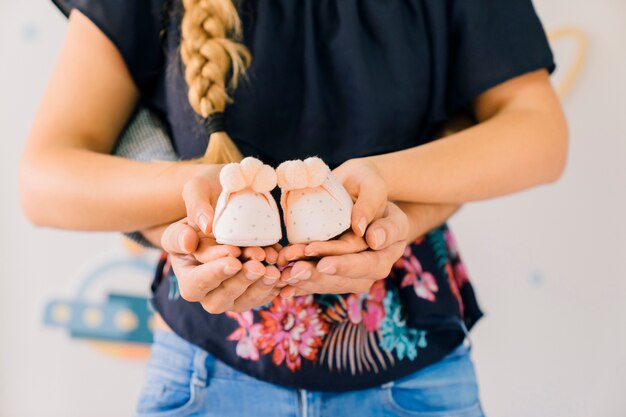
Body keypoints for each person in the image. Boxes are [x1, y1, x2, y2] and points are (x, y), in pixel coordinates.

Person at [19, 0, 567, 415]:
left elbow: (539, 135)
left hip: (415, 377)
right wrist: (205, 191)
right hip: (204, 374)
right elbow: (45, 178)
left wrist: (382, 183)